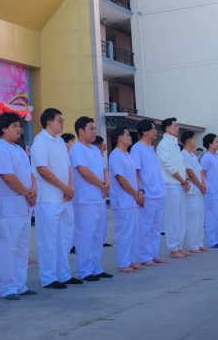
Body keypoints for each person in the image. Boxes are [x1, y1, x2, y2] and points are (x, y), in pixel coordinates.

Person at [0, 112, 36, 300]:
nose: (19, 129)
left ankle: (20, 284)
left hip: (24, 205)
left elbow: (31, 173)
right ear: (3, 129)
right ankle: (6, 287)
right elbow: (8, 177)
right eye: (14, 126)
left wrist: (33, 190)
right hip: (8, 205)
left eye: (20, 126)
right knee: (7, 248)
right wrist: (27, 192)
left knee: (22, 247)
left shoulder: (19, 149)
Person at [31, 108, 77, 289]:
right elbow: (42, 169)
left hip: (64, 198)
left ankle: (64, 274)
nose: (62, 123)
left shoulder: (59, 141)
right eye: (60, 120)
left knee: (65, 239)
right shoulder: (40, 141)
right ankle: (49, 277)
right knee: (48, 240)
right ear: (49, 121)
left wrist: (69, 187)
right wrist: (64, 188)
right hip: (49, 199)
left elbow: (68, 167)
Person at [69, 116, 111, 281]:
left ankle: (96, 267)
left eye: (95, 128)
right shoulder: (77, 149)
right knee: (85, 235)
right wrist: (101, 184)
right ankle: (85, 270)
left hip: (99, 198)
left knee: (98, 235)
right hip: (85, 199)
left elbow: (104, 169)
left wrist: (107, 183)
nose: (94, 132)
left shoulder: (94, 149)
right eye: (91, 129)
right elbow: (83, 171)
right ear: (81, 131)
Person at [108, 127, 143, 272]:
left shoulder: (127, 155)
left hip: (132, 199)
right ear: (120, 138)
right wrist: (135, 193)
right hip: (122, 199)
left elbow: (133, 176)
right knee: (124, 232)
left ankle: (131, 260)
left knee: (134, 231)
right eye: (127, 135)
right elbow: (120, 178)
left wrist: (139, 192)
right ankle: (123, 263)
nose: (130, 137)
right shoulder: (115, 155)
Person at [132, 120, 166, 265]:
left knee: (156, 227)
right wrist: (140, 190)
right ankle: (145, 257)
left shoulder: (151, 148)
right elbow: (136, 172)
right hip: (147, 193)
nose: (155, 131)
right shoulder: (137, 148)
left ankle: (154, 254)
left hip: (158, 192)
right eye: (152, 129)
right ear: (145, 131)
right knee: (145, 226)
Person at [156, 118, 191, 258]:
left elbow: (181, 165)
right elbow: (168, 166)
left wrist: (186, 180)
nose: (177, 128)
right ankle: (173, 247)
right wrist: (182, 180)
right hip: (171, 185)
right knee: (172, 218)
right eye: (175, 126)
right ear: (167, 128)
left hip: (180, 184)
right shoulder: (163, 144)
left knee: (181, 217)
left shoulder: (175, 145)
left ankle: (179, 246)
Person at [180, 131, 207, 253]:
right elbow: (189, 172)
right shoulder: (183, 154)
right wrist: (200, 185)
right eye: (194, 139)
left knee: (200, 218)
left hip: (199, 191)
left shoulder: (193, 155)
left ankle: (199, 243)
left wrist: (204, 183)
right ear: (188, 140)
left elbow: (200, 171)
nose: (195, 141)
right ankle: (192, 245)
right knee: (192, 219)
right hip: (191, 191)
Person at [200, 134, 218, 248]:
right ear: (210, 144)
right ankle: (212, 240)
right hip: (211, 191)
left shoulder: (217, 156)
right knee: (212, 216)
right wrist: (205, 186)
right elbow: (202, 173)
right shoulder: (206, 157)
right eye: (216, 142)